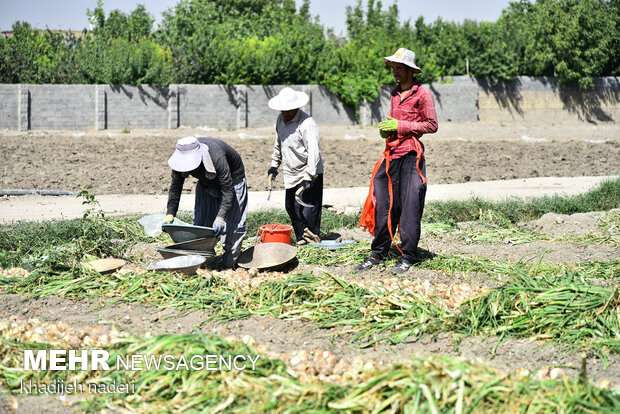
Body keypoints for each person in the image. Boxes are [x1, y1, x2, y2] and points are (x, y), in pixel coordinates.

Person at [357, 47, 438, 274]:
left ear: (411, 71)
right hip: (392, 154)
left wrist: (399, 126)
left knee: (410, 204)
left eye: (399, 68)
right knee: (383, 203)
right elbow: (393, 124)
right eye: (393, 68)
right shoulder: (393, 94)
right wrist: (388, 132)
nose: (395, 73)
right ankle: (378, 252)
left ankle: (408, 255)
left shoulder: (422, 94)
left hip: (411, 155)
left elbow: (432, 125)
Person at [164, 136, 248, 269]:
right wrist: (170, 214)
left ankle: (229, 265)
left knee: (233, 226)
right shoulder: (179, 162)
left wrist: (220, 217)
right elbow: (175, 187)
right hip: (206, 182)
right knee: (201, 225)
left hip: (232, 181)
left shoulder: (217, 157)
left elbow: (227, 191)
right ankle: (202, 263)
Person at [267, 87, 324, 245]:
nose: (285, 113)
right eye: (282, 110)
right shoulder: (280, 120)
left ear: (296, 107)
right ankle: (301, 239)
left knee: (308, 210)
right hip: (291, 172)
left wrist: (309, 177)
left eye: (288, 110)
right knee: (290, 207)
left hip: (309, 171)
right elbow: (279, 144)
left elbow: (313, 151)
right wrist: (274, 164)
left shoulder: (307, 123)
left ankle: (312, 241)